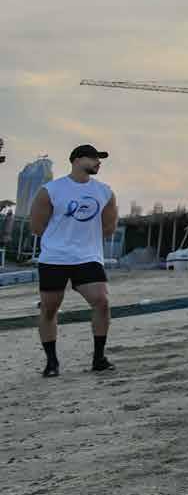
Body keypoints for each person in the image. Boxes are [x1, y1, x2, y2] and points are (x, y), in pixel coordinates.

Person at [29, 145, 117, 377]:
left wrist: (85, 241)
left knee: (102, 301)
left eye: (100, 159)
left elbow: (109, 227)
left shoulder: (105, 192)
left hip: (88, 257)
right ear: (77, 160)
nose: (98, 162)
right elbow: (36, 226)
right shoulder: (51, 190)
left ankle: (99, 359)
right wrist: (61, 240)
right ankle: (52, 363)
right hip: (54, 258)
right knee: (49, 308)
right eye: (93, 158)